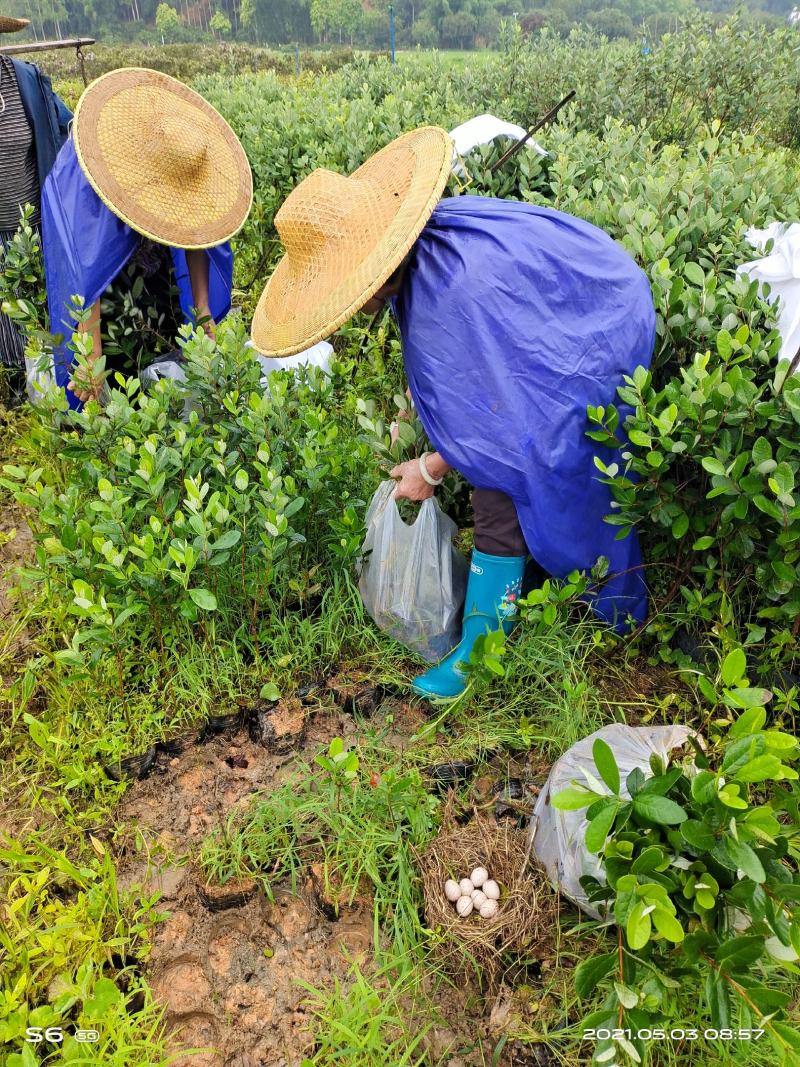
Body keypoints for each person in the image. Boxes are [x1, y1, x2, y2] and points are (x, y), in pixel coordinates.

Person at [250, 127, 656, 700]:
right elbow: (459, 367)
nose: (352, 302)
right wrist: (419, 412)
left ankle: (484, 649)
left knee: (506, 476)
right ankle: (527, 591)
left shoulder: (450, 289)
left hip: (598, 330)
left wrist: (432, 466)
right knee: (516, 470)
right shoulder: (428, 248)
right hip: (588, 299)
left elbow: (493, 420)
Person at [39, 67, 253, 408]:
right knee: (107, 381)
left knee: (163, 366)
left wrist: (201, 308)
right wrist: (89, 348)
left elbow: (195, 235)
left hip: (154, 271)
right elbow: (85, 262)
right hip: (107, 280)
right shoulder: (96, 170)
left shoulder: (184, 155)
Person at [0, 15, 71, 401]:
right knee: (7, 320)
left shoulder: (25, 80)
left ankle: (61, 387)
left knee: (50, 306)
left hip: (37, 224)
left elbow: (64, 123)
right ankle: (15, 392)